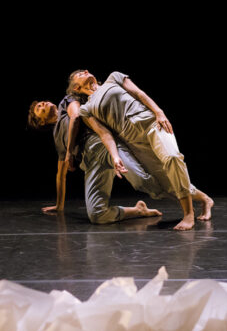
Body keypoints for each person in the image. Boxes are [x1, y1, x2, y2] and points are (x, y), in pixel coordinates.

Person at [68, 70, 214, 231]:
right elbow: (105, 134)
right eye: (80, 73)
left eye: (86, 70)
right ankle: (204, 199)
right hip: (134, 141)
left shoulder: (113, 78)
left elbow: (138, 93)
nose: (86, 71)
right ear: (76, 88)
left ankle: (188, 214)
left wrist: (159, 112)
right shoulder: (86, 109)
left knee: (172, 158)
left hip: (152, 124)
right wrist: (115, 157)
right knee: (165, 183)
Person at [28, 96, 164, 224]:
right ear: (41, 121)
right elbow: (61, 175)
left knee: (142, 181)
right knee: (97, 214)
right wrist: (59, 205)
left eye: (42, 102)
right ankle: (138, 210)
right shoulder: (57, 139)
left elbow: (76, 116)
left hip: (102, 146)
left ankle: (182, 197)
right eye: (39, 108)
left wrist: (69, 151)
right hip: (90, 164)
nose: (43, 103)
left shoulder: (65, 103)